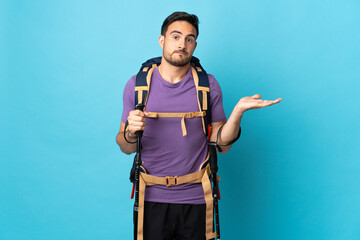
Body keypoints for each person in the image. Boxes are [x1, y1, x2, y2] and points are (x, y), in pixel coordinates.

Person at [116, 11, 282, 240]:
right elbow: (125, 146)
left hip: (197, 198)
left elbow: (221, 144)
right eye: (175, 37)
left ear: (195, 45)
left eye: (189, 38)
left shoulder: (208, 85)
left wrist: (238, 112)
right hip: (150, 197)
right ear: (162, 40)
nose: (182, 44)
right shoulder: (137, 85)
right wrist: (131, 132)